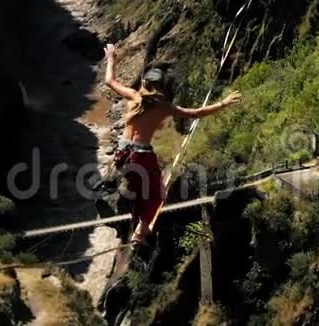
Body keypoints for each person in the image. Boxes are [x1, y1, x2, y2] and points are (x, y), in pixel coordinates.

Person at [103, 44, 241, 245]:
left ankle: (128, 221)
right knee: (157, 195)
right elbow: (196, 113)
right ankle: (139, 233)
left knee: (137, 189)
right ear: (165, 87)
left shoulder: (134, 97)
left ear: (147, 83)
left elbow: (109, 81)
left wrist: (111, 59)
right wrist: (223, 103)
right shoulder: (164, 107)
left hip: (122, 154)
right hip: (141, 156)